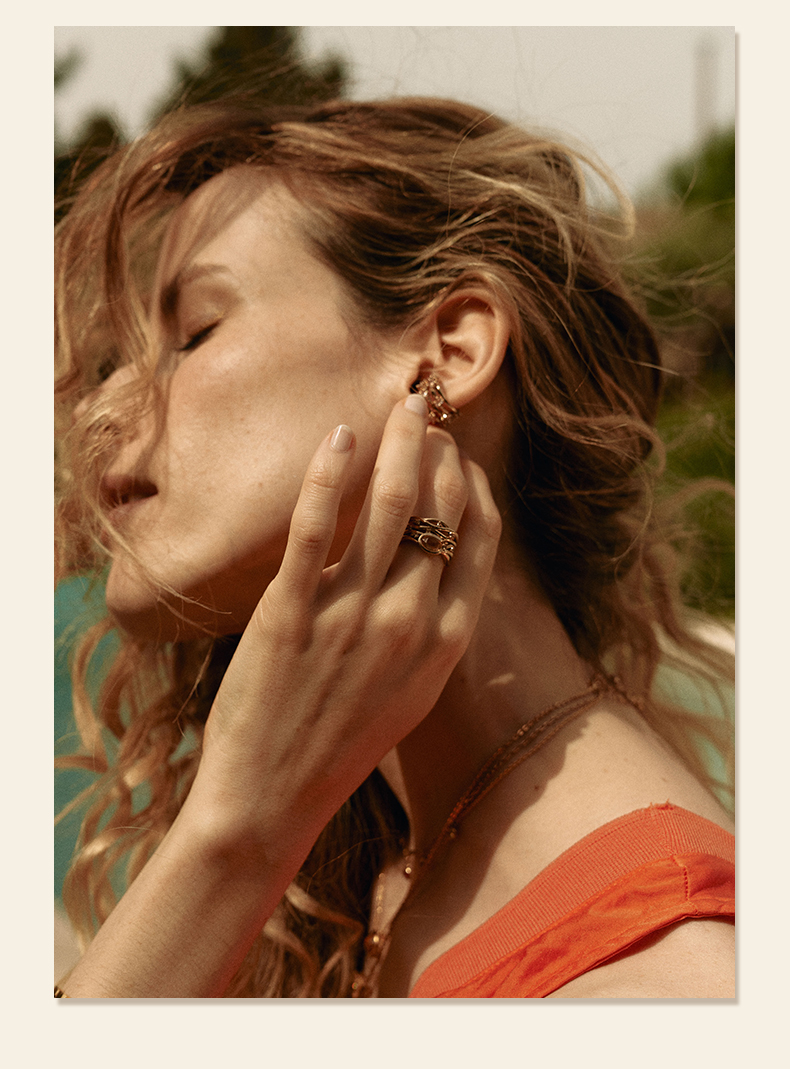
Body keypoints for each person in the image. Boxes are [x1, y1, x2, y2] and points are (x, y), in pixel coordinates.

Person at [54, 96, 734, 999]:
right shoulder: (356, 881)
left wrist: (233, 834)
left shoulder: (651, 980)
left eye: (196, 332)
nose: (107, 407)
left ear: (448, 352)